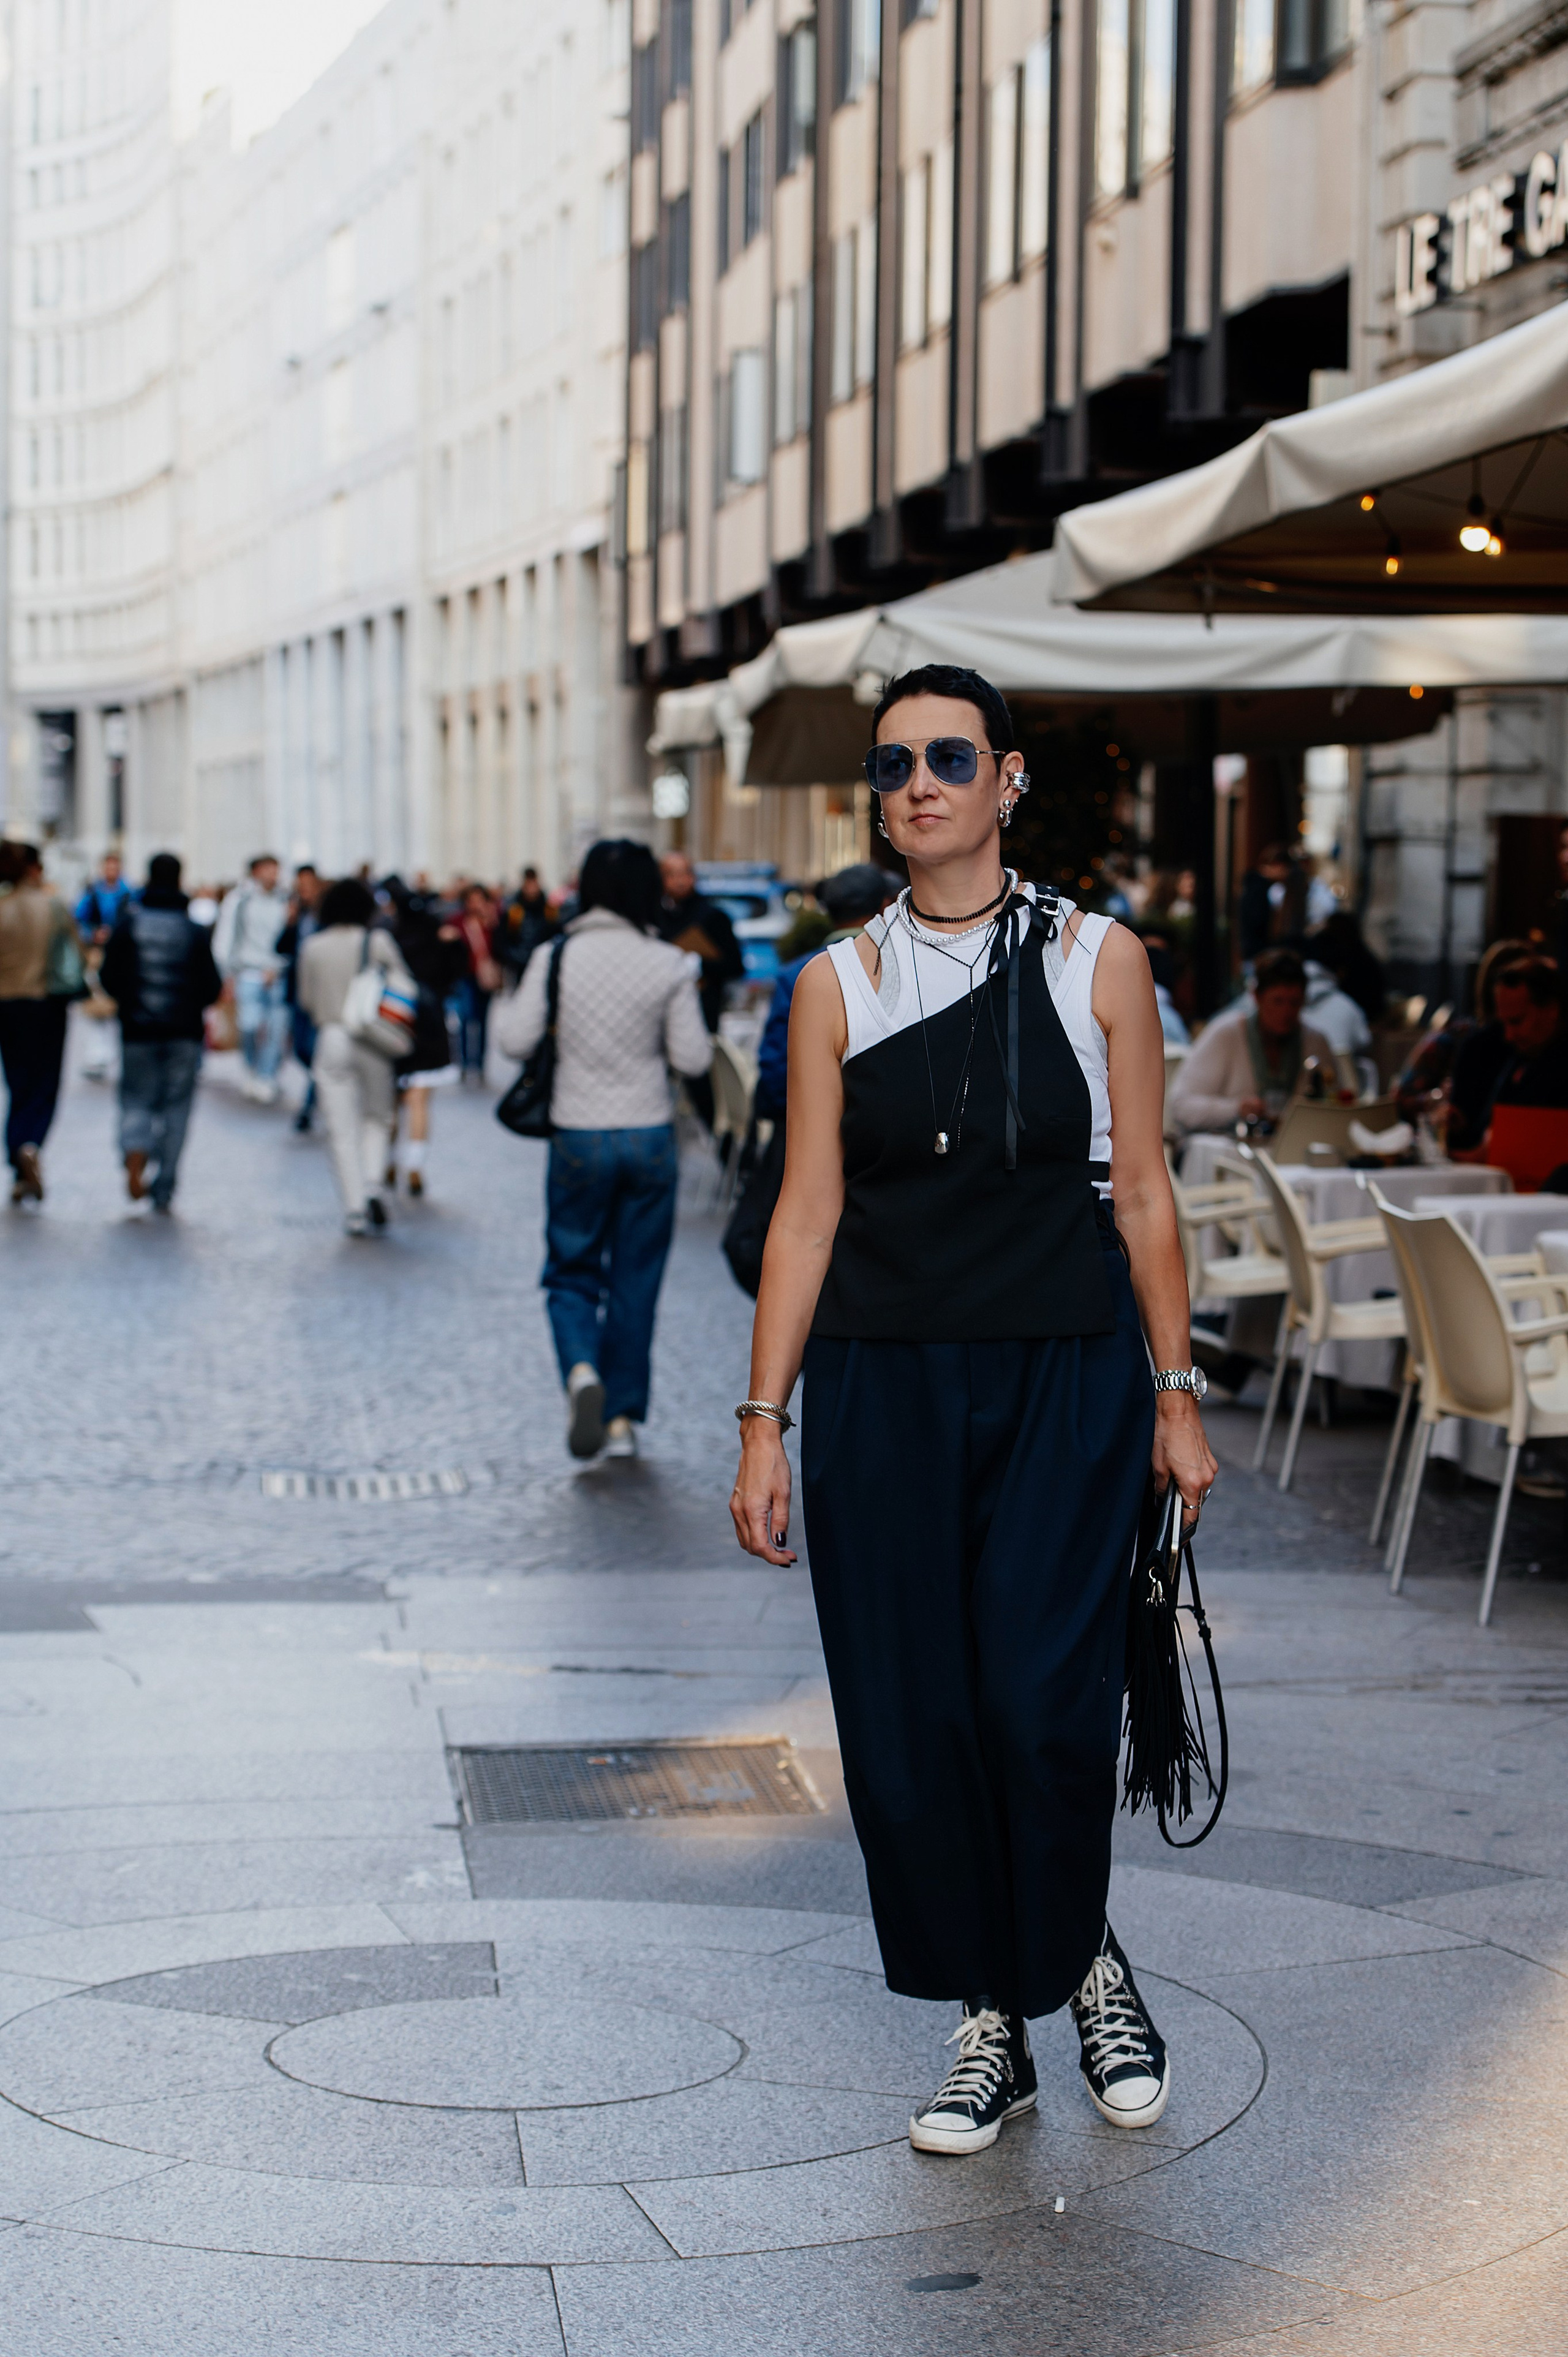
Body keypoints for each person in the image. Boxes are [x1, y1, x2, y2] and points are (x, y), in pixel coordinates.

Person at [730, 662, 1216, 2159]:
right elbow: (805, 1212)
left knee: (1037, 1698)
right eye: (891, 765)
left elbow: (1140, 1189)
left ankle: (1075, 1959)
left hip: (1063, 1371)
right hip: (882, 1383)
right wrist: (762, 1416)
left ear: (1008, 778)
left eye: (948, 756)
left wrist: (1176, 1390)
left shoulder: (1096, 960)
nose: (917, 783)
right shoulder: (835, 980)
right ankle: (988, 2019)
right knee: (911, 1718)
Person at [496, 838, 712, 1462]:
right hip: (648, 1133)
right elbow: (693, 1057)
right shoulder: (667, 962)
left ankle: (581, 1371)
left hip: (577, 1132)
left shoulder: (555, 956)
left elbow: (513, 1040)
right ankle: (621, 1418)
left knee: (570, 1270)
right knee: (635, 1279)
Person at [99, 853, 222, 1213]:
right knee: (177, 1106)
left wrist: (130, 1000)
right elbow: (211, 987)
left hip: (138, 1029)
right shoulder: (193, 930)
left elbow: (109, 978)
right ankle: (165, 1183)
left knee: (136, 1097)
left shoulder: (128, 925)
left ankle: (135, 1148)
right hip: (184, 1031)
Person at [297, 879, 413, 1237]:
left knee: (340, 1127)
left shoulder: (313, 947)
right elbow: (404, 986)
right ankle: (374, 1182)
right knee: (377, 1116)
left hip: (332, 1035)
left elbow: (306, 1000)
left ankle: (354, 1208)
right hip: (373, 1036)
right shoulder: (376, 942)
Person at [753, 864, 899, 1123]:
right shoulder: (902, 968)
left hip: (806, 1122)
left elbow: (775, 1076)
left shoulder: (797, 974)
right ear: (886, 905)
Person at [1166, 947, 1338, 1137]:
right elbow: (1181, 1106)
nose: (1286, 1012)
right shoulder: (1227, 1034)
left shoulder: (1315, 1040)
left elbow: (1334, 1103)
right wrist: (1237, 1108)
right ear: (1257, 997)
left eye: (1295, 1002)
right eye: (1278, 1001)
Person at [0, 842, 81, 1204]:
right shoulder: (53, 905)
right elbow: (74, 953)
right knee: (44, 1082)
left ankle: (18, 1155)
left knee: (16, 1081)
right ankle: (31, 1144)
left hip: (6, 1004)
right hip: (46, 1003)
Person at [380, 875, 467, 1197]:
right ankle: (414, 1165)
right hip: (429, 1022)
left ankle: (388, 1161)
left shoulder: (387, 934)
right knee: (419, 1099)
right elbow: (457, 970)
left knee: (390, 1098)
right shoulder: (437, 929)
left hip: (394, 1019)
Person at [1398, 938, 1526, 1145]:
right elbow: (1401, 1100)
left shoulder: (1539, 1056)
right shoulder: (1460, 1040)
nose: (1511, 1034)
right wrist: (1437, 1099)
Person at [1450, 957, 1568, 1164]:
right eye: (1503, 1023)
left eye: (1517, 1021)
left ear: (1552, 1010)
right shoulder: (1520, 1056)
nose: (1509, 1036)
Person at [658, 850, 745, 1129]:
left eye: (684, 873)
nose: (679, 881)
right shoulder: (655, 916)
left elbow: (735, 965)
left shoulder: (713, 917)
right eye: (671, 875)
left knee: (704, 1086)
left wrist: (702, 964)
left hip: (703, 1014)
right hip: (661, 1014)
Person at [213, 853, 290, 1102]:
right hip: (249, 971)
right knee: (249, 1025)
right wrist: (227, 974)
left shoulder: (286, 901)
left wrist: (279, 966)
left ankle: (267, 1075)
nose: (273, 875)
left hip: (277, 973)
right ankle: (252, 1068)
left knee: (277, 1029)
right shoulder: (240, 900)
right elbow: (227, 937)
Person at [75, 852, 131, 1081]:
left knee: (120, 1005)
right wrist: (93, 934)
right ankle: (97, 1056)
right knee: (97, 1003)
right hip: (97, 954)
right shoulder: (91, 894)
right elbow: (78, 921)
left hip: (122, 954)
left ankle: (114, 1054)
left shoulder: (129, 894)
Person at [276, 864, 323, 1133]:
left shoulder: (327, 917)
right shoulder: (299, 915)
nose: (303, 892)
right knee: (302, 1050)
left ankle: (308, 1106)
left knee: (316, 1051)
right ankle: (320, 1090)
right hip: (298, 992)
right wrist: (290, 923)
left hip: (322, 994)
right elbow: (281, 948)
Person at [452, 882, 502, 1081]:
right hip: (466, 975)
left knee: (483, 1020)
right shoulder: (458, 921)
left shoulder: (492, 921)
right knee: (465, 1017)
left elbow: (500, 946)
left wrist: (493, 923)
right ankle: (465, 1063)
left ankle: (480, 1064)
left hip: (486, 977)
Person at [496, 866, 555, 984]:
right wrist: (514, 957)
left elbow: (554, 933)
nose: (531, 889)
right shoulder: (514, 911)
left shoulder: (549, 910)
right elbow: (503, 938)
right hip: (520, 966)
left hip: (543, 964)